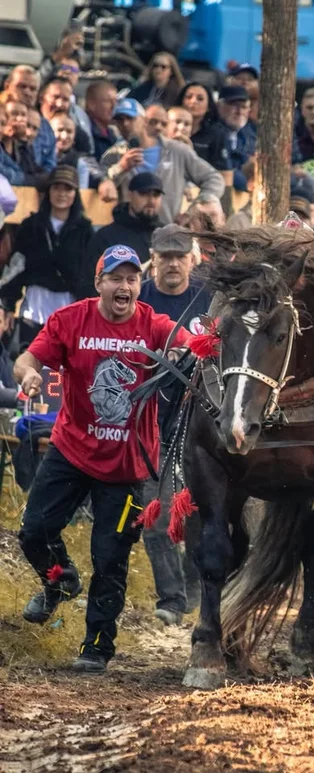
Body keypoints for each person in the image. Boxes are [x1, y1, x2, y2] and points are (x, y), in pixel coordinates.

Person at [14, 244, 191, 673]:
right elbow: (26, 358)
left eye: (132, 279)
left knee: (109, 558)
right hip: (71, 450)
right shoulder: (70, 320)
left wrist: (181, 351)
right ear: (99, 284)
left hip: (127, 466)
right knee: (34, 531)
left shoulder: (153, 323)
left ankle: (96, 648)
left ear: (138, 285)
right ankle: (59, 581)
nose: (125, 286)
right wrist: (30, 374)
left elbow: (191, 344)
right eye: (116, 278)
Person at [139, 224, 209, 624]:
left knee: (201, 511)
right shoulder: (139, 299)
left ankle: (196, 591)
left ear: (193, 259)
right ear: (153, 259)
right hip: (151, 420)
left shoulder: (209, 298)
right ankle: (171, 601)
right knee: (156, 514)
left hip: (199, 423)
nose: (172, 263)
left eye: (179, 255)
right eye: (165, 256)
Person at [0, 165, 95, 350]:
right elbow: (16, 267)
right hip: (34, 308)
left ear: (75, 193)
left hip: (70, 309)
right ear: (49, 191)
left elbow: (89, 273)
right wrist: (8, 305)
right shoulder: (31, 226)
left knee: (63, 371)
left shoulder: (85, 231)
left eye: (68, 188)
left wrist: (89, 313)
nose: (62, 193)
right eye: (57, 187)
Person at [101, 98, 225, 224]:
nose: (125, 124)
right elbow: (100, 180)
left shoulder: (176, 150)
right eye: (119, 120)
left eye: (130, 118)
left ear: (144, 121)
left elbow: (214, 179)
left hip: (168, 233)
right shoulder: (114, 155)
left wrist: (193, 211)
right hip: (130, 233)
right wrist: (121, 168)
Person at [87, 172, 164, 263]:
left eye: (156, 195)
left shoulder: (166, 235)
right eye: (144, 194)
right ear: (130, 195)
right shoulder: (105, 238)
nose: (151, 201)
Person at [4, 65, 56, 172]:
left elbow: (49, 166)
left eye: (33, 89)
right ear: (7, 86)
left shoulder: (45, 126)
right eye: (21, 86)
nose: (27, 92)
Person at [177, 83, 229, 172]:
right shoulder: (168, 126)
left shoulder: (216, 133)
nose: (193, 101)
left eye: (200, 99)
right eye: (188, 97)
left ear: (208, 107)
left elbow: (221, 170)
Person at [217, 85, 256, 192]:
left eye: (243, 107)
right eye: (234, 105)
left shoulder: (250, 136)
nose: (239, 112)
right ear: (219, 106)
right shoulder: (212, 133)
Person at [0, 99, 46, 185]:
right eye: (14, 113)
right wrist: (26, 180)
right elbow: (4, 175)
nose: (20, 119)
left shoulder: (23, 148)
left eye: (23, 115)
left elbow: (33, 171)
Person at [50, 113, 90, 188]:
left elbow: (82, 194)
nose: (64, 136)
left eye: (69, 132)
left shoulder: (80, 164)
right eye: (60, 130)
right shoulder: (38, 159)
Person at [84, 79, 119, 162]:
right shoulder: (85, 134)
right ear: (91, 104)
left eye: (116, 101)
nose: (114, 106)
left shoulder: (112, 134)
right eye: (108, 101)